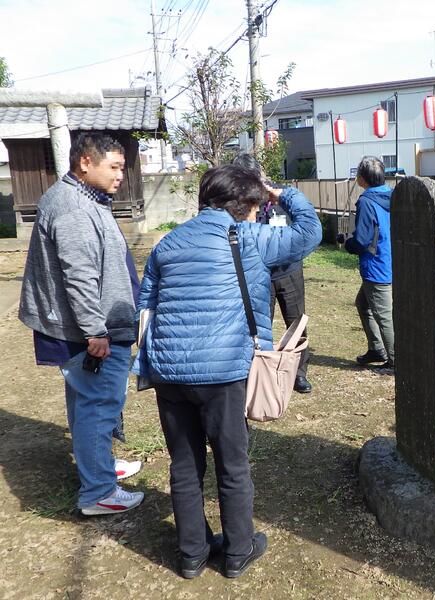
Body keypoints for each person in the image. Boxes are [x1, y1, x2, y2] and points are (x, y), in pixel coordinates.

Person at [134, 165, 321, 579]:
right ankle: (238, 551)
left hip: (170, 372)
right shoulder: (249, 236)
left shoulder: (168, 243)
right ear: (247, 204)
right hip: (223, 372)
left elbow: (145, 307)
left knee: (184, 464)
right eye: (255, 206)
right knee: (232, 464)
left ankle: (192, 555)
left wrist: (150, 364)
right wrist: (282, 193)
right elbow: (310, 232)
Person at [18, 132, 143, 515]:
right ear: (85, 162)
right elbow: (79, 275)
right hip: (88, 330)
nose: (120, 175)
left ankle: (98, 468)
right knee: (99, 404)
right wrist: (95, 331)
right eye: (114, 167)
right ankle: (98, 492)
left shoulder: (85, 196)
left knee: (86, 401)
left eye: (122, 167)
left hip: (89, 326)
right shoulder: (73, 206)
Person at [231, 153, 312, 393]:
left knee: (296, 321)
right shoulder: (236, 202)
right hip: (258, 273)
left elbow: (303, 225)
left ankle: (299, 372)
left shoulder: (280, 194)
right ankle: (260, 373)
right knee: (258, 324)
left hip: (288, 270)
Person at [336, 156, 394, 370]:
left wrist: (347, 242)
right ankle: (376, 349)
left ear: (363, 178)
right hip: (390, 259)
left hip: (376, 265)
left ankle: (396, 361)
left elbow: (362, 240)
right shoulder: (392, 195)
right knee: (363, 304)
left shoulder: (367, 201)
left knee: (383, 315)